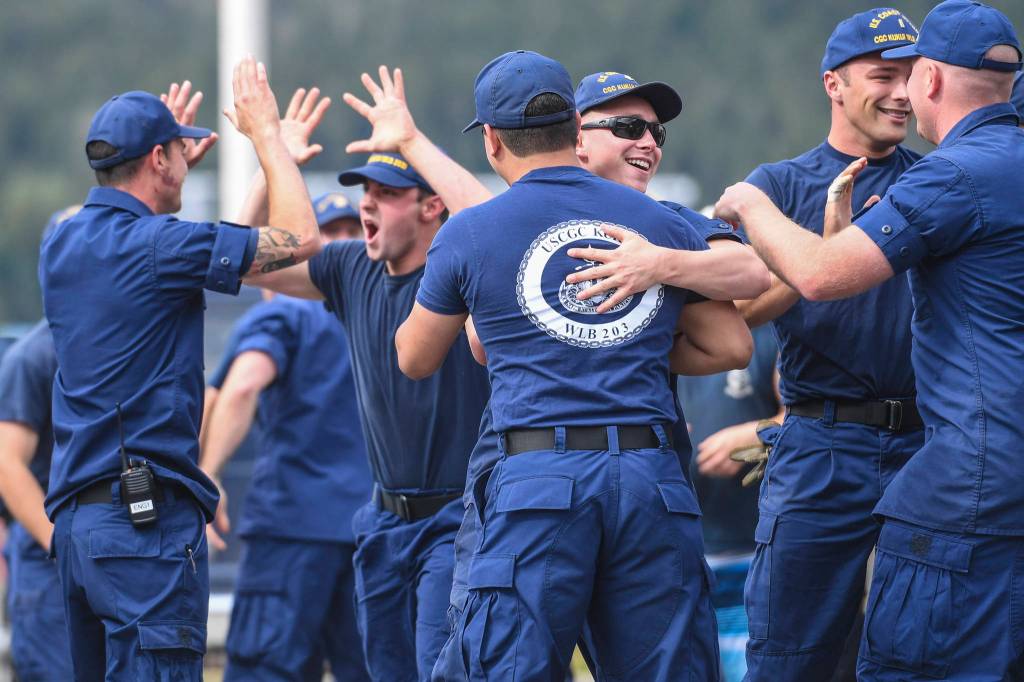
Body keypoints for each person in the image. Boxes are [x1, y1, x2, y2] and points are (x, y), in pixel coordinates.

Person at [341, 70, 768, 666]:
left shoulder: (480, 229)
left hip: (536, 473)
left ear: (493, 140)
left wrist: (531, 331)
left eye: (654, 131)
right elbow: (731, 342)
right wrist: (624, 339)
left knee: (503, 661)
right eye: (628, 127)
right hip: (647, 472)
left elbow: (416, 357)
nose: (647, 141)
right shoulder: (662, 221)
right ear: (575, 132)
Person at [714, 1, 1024, 678]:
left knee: (910, 651)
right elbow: (741, 309)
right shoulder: (789, 181)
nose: (900, 91)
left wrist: (758, 213)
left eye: (909, 73)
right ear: (834, 84)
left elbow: (825, 276)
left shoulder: (943, 174)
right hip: (829, 444)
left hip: (945, 457)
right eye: (882, 74)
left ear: (933, 82)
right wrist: (821, 241)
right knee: (795, 652)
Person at [38, 59, 323, 679]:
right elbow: (300, 240)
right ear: (159, 160)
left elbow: (197, 256)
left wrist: (161, 178)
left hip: (81, 528)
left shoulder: (61, 245)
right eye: (176, 152)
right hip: (144, 529)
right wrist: (270, 139)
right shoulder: (161, 247)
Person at [234, 127, 490, 680]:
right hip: (382, 523)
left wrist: (415, 140)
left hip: (456, 521)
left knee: (439, 669)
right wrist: (271, 161)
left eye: (386, 192)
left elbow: (495, 220)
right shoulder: (353, 267)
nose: (366, 202)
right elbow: (246, 262)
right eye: (363, 190)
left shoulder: (467, 271)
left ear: (431, 206)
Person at [199, 192, 372, 681]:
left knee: (268, 669)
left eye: (346, 232)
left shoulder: (287, 315)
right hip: (371, 532)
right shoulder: (384, 314)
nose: (341, 244)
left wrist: (207, 473)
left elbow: (243, 386)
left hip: (291, 534)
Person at [0, 208, 80, 681]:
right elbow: (7, 463)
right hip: (50, 574)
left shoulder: (106, 344)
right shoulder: (36, 354)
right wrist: (60, 545)